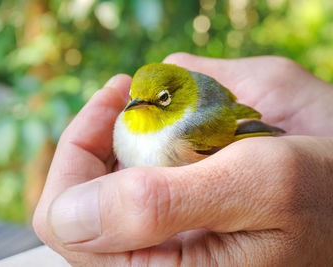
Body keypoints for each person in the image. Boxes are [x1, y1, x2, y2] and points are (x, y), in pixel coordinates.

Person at [33, 53, 333, 266]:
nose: (138, 106)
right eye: (134, 99)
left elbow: (245, 123)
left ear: (173, 97)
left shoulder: (192, 128)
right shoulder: (129, 119)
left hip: (230, 120)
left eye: (161, 99)